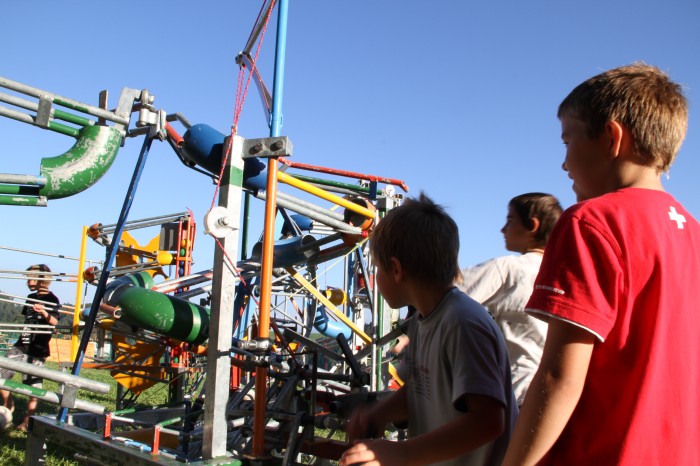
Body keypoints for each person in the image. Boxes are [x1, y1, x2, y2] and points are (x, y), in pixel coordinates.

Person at [503, 63, 700, 465]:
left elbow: (559, 378)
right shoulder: (694, 234)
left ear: (612, 137)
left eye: (567, 141)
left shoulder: (590, 221)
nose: (564, 163)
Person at [340, 193, 518, 466]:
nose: (376, 276)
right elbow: (423, 388)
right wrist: (381, 412)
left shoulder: (462, 323)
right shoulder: (423, 322)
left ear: (396, 269)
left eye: (377, 268)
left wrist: (400, 453)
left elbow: (488, 421)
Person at [458, 193, 562, 406]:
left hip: (517, 391)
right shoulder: (560, 273)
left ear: (532, 226)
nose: (503, 229)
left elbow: (445, 291)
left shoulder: (509, 268)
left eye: (510, 221)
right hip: (552, 395)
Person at [0, 264, 60, 431]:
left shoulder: (52, 299)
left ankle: (27, 421)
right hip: (21, 345)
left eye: (30, 279)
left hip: (38, 349)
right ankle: (8, 405)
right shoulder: (30, 297)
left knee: (33, 387)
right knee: (1, 374)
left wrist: (44, 312)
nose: (27, 282)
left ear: (41, 280)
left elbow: (55, 321)